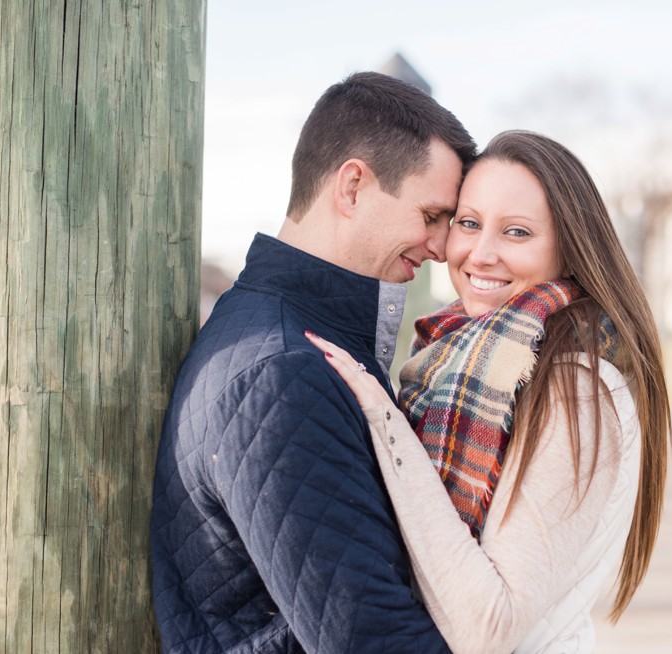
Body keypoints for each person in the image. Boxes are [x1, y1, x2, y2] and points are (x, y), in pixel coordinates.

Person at [307, 130, 671, 654]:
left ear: (570, 250)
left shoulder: (578, 388)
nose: (481, 254)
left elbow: (489, 629)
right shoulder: (460, 352)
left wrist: (385, 424)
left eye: (517, 233)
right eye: (469, 223)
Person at [150, 71, 477, 653]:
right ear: (351, 186)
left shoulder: (296, 338)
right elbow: (375, 641)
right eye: (431, 215)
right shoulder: (282, 373)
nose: (441, 246)